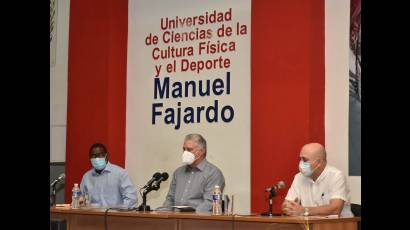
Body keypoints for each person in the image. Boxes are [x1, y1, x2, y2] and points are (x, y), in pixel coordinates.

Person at [282, 143, 353, 217]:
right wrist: (288, 207)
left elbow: (336, 209)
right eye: (300, 159)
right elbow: (286, 204)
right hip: (310, 225)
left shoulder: (336, 176)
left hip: (339, 225)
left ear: (318, 162)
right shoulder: (299, 177)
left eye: (305, 160)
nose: (301, 163)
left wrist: (304, 210)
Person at [158, 134, 225, 212]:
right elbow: (170, 200)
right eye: (184, 149)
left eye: (189, 150)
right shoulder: (178, 172)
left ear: (202, 151)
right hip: (175, 220)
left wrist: (189, 217)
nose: (185, 153)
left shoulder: (213, 173)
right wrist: (160, 213)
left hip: (199, 221)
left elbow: (210, 203)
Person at [80, 143, 137, 208]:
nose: (96, 158)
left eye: (99, 155)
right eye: (93, 156)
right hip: (93, 216)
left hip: (115, 216)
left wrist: (119, 213)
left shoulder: (120, 173)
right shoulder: (86, 177)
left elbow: (131, 198)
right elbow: (80, 200)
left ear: (106, 156)